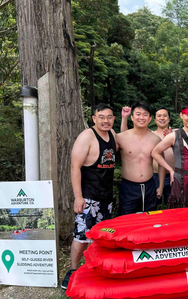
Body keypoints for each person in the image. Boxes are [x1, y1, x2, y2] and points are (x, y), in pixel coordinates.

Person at [62, 103, 118, 289]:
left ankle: (94, 269)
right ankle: (73, 270)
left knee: (100, 237)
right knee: (81, 236)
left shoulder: (113, 135)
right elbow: (74, 167)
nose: (105, 120)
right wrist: (78, 197)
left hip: (106, 197)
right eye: (101, 117)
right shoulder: (87, 136)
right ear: (94, 118)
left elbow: (129, 141)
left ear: (113, 119)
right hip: (89, 197)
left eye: (109, 117)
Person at [117, 101, 164, 215]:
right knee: (126, 220)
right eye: (138, 114)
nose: (141, 117)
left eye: (145, 114)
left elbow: (161, 163)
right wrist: (124, 118)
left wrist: (161, 186)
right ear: (132, 117)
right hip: (129, 187)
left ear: (150, 119)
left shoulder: (155, 139)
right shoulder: (120, 138)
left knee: (149, 220)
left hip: (149, 186)